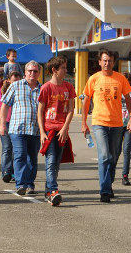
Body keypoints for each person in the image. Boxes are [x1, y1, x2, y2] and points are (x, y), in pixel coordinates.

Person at [81, 49, 131, 203]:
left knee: (113, 157)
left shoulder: (120, 78)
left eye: (110, 61)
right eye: (104, 60)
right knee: (104, 156)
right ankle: (104, 190)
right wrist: (84, 122)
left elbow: (129, 98)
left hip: (118, 124)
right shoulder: (94, 79)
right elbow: (86, 100)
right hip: (99, 123)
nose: (107, 63)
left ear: (113, 62)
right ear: (99, 62)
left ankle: (108, 184)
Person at [37, 56, 76, 206]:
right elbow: (40, 111)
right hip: (49, 130)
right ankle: (53, 190)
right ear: (54, 70)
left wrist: (66, 127)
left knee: (56, 163)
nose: (66, 71)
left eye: (66, 68)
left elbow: (71, 110)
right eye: (63, 68)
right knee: (51, 160)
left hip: (62, 130)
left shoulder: (68, 87)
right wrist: (41, 132)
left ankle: (48, 192)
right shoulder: (46, 87)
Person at [0, 60, 42, 195]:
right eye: (30, 71)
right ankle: (21, 184)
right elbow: (5, 105)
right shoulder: (16, 86)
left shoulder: (43, 89)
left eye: (35, 71)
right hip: (17, 129)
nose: (32, 73)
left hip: (35, 130)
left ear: (39, 73)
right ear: (25, 72)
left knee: (32, 158)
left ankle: (30, 183)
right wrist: (2, 125)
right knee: (19, 155)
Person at [0, 66, 22, 183]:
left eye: (18, 80)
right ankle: (6, 171)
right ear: (8, 80)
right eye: (14, 80)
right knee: (7, 148)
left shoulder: (21, 89)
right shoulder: (2, 88)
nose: (16, 83)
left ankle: (15, 172)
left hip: (17, 121)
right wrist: (7, 65)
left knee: (16, 149)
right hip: (5, 122)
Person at [118, 72, 131, 186]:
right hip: (116, 124)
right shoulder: (116, 91)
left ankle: (125, 176)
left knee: (127, 151)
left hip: (128, 125)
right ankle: (110, 174)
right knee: (116, 151)